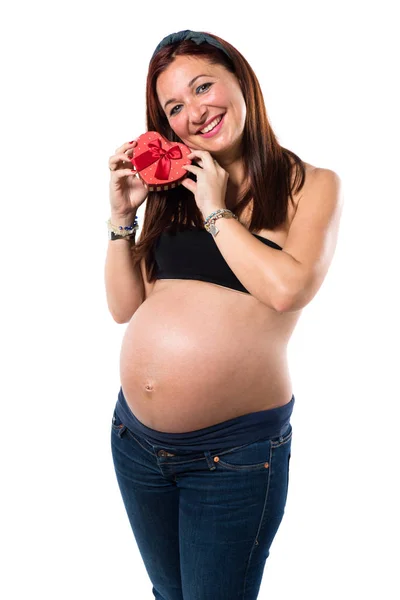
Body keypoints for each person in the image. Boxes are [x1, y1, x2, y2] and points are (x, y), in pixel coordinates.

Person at [105, 29, 343, 600]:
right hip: (136, 443)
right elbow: (124, 308)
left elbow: (288, 289)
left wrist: (215, 210)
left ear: (242, 80)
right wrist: (121, 219)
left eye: (203, 86)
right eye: (175, 107)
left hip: (233, 457)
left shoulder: (310, 185)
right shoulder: (172, 186)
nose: (195, 113)